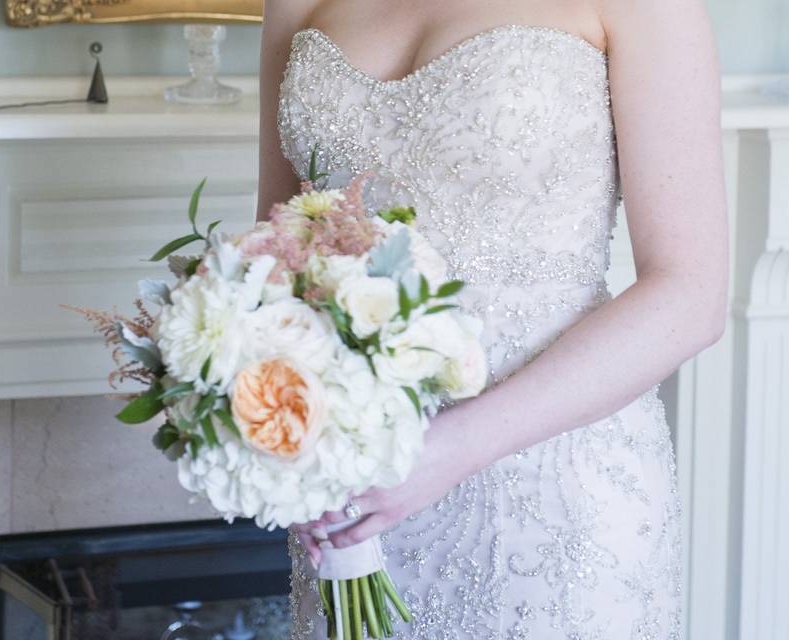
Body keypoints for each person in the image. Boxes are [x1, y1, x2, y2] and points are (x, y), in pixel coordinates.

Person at [257, 0, 728, 637]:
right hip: (355, 496)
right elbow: (282, 248)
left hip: (556, 494)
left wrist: (447, 450)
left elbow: (690, 293)